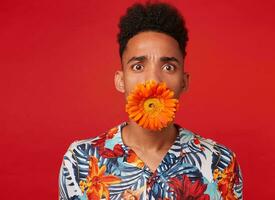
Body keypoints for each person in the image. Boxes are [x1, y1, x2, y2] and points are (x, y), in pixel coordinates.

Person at [59, 1, 243, 200]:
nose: (153, 80)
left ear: (184, 82)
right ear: (121, 81)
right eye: (138, 66)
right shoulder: (81, 160)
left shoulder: (219, 162)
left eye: (168, 68)